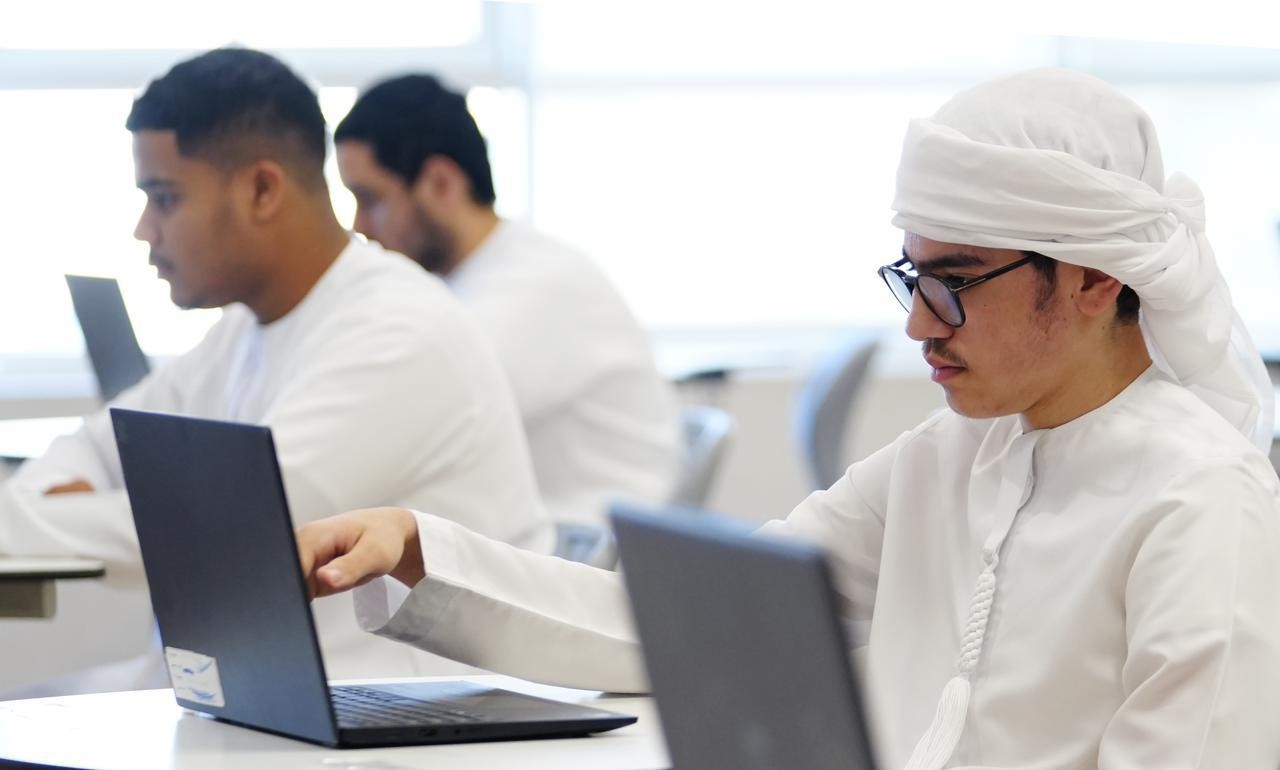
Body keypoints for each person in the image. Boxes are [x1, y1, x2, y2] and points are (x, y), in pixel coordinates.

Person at [297, 68, 1280, 768]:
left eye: (955, 280)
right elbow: (695, 624)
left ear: (1094, 278)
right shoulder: (947, 455)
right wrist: (422, 550)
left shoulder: (1200, 505)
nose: (915, 322)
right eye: (910, 275)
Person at [0, 47, 550, 684]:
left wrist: (34, 518)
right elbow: (98, 446)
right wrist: (56, 501)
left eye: (165, 199)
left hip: (398, 707)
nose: (144, 230)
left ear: (263, 189)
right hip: (262, 694)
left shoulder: (398, 332)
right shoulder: (245, 327)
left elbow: (228, 527)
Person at [333, 75, 681, 529]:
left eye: (370, 200)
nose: (360, 226)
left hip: (587, 547)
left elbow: (404, 424)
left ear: (441, 182)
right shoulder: (464, 280)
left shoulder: (533, 287)